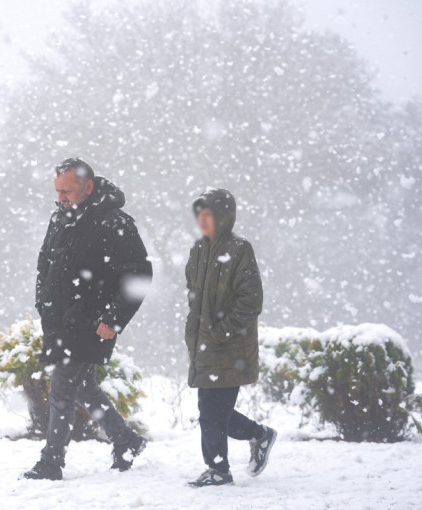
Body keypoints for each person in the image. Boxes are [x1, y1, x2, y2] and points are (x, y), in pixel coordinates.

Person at [22, 158, 153, 481]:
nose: (61, 197)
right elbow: (45, 266)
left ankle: (51, 462)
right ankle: (126, 440)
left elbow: (139, 273)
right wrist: (44, 304)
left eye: (67, 190)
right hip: (59, 321)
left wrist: (114, 318)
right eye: (57, 191)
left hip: (92, 322)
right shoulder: (60, 218)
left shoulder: (113, 222)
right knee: (83, 389)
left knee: (62, 390)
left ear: (88, 187)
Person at [184, 188, 277, 488]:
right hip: (203, 346)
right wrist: (197, 330)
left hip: (229, 347)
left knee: (212, 412)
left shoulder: (239, 249)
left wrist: (222, 330)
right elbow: (193, 293)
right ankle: (260, 435)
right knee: (211, 411)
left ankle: (219, 470)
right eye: (200, 213)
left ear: (223, 217)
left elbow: (252, 300)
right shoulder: (198, 250)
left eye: (209, 214)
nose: (203, 220)